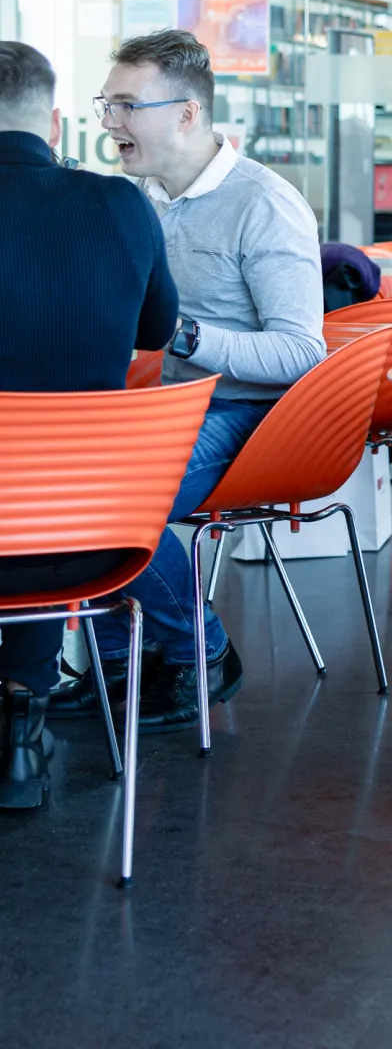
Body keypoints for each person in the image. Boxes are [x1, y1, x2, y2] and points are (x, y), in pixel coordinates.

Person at [51, 30, 326, 733]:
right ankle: (120, 667)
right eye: (105, 104)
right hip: (175, 407)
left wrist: (188, 336)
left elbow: (302, 353)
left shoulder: (264, 203)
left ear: (186, 115)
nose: (109, 122)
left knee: (109, 500)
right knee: (52, 481)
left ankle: (202, 651)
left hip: (255, 417)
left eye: (125, 105)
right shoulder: (136, 199)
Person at [0, 42, 178, 808]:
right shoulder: (118, 204)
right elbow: (156, 331)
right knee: (36, 492)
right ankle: (19, 715)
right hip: (87, 534)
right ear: (56, 119)